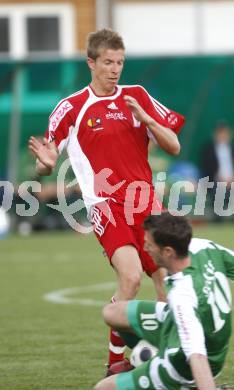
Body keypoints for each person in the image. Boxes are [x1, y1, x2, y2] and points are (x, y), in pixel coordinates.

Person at [28, 29, 185, 371]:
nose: (115, 70)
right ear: (91, 63)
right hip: (105, 205)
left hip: (146, 203)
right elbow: (46, 160)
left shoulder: (137, 96)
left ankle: (170, 359)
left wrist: (146, 120)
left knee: (165, 278)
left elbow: (174, 145)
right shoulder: (71, 107)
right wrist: (46, 164)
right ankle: (116, 362)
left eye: (120, 63)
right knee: (129, 278)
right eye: (108, 62)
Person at [94, 212, 234, 390]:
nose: (145, 249)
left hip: (182, 365)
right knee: (112, 312)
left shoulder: (182, 296)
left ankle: (185, 385)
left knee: (103, 388)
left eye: (149, 245)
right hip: (182, 325)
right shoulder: (203, 247)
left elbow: (197, 356)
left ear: (167, 252)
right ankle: (154, 352)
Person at [201, 121, 234, 222]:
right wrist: (218, 177)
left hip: (232, 179)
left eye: (225, 133)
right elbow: (205, 168)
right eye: (221, 133)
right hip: (215, 179)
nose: (223, 135)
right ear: (215, 134)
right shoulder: (207, 149)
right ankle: (218, 218)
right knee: (217, 187)